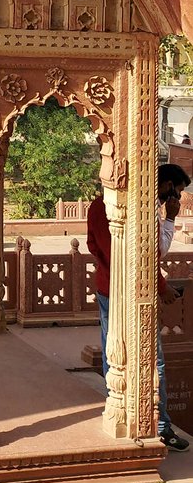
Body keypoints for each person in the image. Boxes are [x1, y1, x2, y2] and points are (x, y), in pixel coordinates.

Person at [87, 162, 191, 452]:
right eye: (176, 193)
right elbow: (146, 255)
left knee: (113, 348)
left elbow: (96, 247)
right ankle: (161, 427)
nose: (175, 200)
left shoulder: (97, 206)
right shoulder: (139, 210)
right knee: (152, 360)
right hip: (134, 293)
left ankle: (117, 410)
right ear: (167, 186)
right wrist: (161, 287)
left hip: (108, 287)